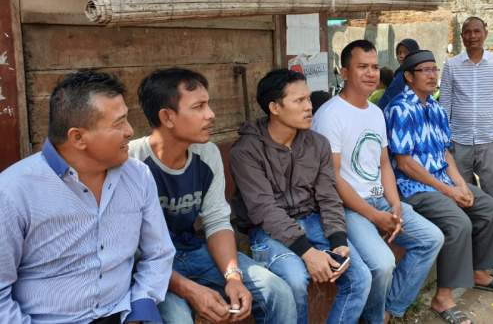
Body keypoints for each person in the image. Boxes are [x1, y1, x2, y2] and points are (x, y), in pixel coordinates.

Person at [0, 70, 175, 323]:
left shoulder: (138, 176)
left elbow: (158, 252)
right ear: (78, 137)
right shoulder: (13, 192)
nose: (130, 131)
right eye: (119, 123)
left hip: (126, 314)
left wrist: (142, 303)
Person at [129, 68, 296, 324]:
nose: (211, 115)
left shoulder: (207, 154)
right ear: (167, 117)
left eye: (208, 105)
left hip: (195, 251)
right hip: (150, 267)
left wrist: (233, 278)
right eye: (198, 107)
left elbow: (217, 221)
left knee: (277, 291)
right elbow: (133, 250)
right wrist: (190, 291)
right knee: (179, 320)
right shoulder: (132, 162)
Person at [313, 40, 444, 323]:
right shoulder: (330, 115)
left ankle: (387, 311)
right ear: (343, 72)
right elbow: (332, 177)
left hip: (381, 200)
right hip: (350, 208)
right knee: (383, 263)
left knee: (431, 239)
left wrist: (395, 204)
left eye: (374, 67)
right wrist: (374, 215)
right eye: (362, 67)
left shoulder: (375, 112)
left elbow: (384, 162)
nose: (371, 73)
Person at [229, 69, 371, 324]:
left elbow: (328, 196)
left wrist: (338, 240)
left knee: (360, 277)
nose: (309, 107)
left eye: (308, 99)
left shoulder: (317, 144)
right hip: (268, 230)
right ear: (274, 107)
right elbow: (264, 210)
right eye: (299, 101)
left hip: (313, 220)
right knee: (294, 280)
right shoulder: (246, 150)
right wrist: (307, 252)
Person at [385, 50, 493, 324]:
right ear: (409, 77)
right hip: (414, 188)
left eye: (434, 69)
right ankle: (442, 297)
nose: (432, 75)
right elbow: (405, 163)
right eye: (425, 70)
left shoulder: (435, 109)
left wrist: (460, 184)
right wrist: (448, 191)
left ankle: (479, 272)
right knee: (458, 223)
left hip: (443, 181)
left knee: (490, 208)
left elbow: (446, 154)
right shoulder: (399, 108)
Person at [440, 17, 493, 200]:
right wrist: (445, 136)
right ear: (462, 36)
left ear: (485, 33)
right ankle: (469, 229)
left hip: (490, 140)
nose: (472, 36)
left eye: (477, 31)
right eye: (467, 32)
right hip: (459, 140)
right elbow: (445, 103)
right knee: (462, 194)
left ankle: (492, 228)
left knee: (492, 193)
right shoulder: (451, 65)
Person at [378, 39, 420, 109]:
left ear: (414, 53)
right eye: (399, 53)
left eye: (405, 52)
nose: (401, 55)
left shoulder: (403, 75)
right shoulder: (402, 72)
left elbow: (389, 96)